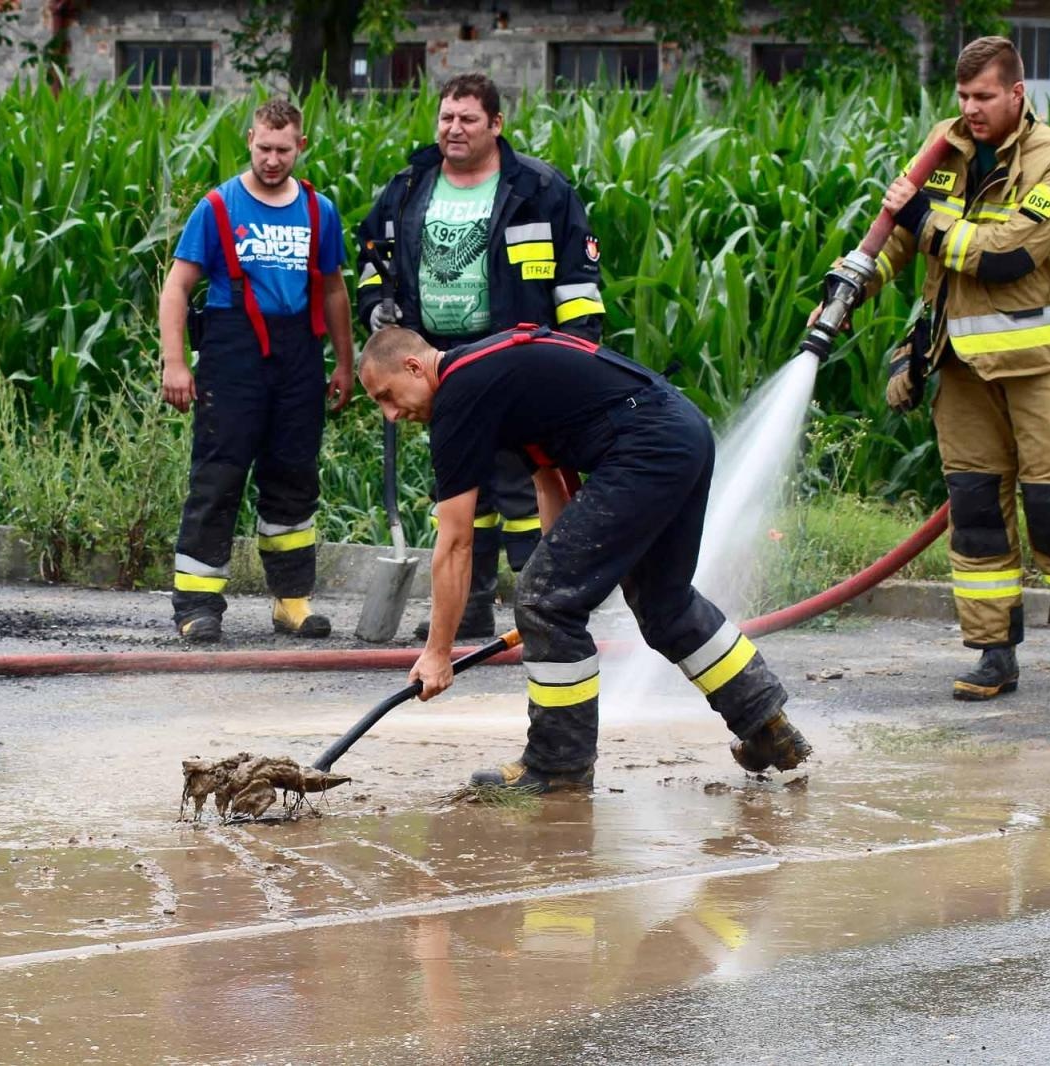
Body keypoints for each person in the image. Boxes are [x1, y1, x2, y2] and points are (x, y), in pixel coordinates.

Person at [357, 324, 812, 792]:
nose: (391, 414)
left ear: (414, 366)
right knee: (664, 604)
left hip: (647, 445)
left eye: (386, 396)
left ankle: (558, 765)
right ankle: (767, 726)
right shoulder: (488, 375)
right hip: (682, 432)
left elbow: (455, 543)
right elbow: (550, 484)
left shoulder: (459, 394)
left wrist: (438, 654)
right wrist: (566, 585)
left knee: (544, 599)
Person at [863, 36, 1050, 699]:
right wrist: (849, 282)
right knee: (976, 511)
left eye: (984, 97)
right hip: (962, 369)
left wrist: (923, 220)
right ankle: (992, 653)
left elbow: (1009, 256)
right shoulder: (942, 153)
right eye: (963, 96)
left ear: (1017, 94)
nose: (971, 109)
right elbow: (896, 237)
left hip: (1043, 369)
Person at [356, 72, 604, 641]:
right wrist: (379, 310)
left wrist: (578, 355)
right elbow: (373, 261)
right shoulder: (409, 186)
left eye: (468, 118)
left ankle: (542, 608)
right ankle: (468, 607)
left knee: (527, 479)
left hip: (517, 358)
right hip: (435, 361)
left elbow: (577, 283)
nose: (454, 128)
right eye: (446, 117)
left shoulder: (541, 190)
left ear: (496, 124)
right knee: (463, 485)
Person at [158, 98, 356, 643]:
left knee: (294, 478)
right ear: (249, 140)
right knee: (218, 479)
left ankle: (292, 602)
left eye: (283, 149)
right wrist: (175, 363)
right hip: (233, 355)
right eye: (264, 148)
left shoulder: (320, 211)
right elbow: (177, 287)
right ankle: (197, 608)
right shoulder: (218, 207)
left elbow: (334, 289)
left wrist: (345, 362)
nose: (272, 160)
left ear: (301, 147)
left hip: (298, 358)